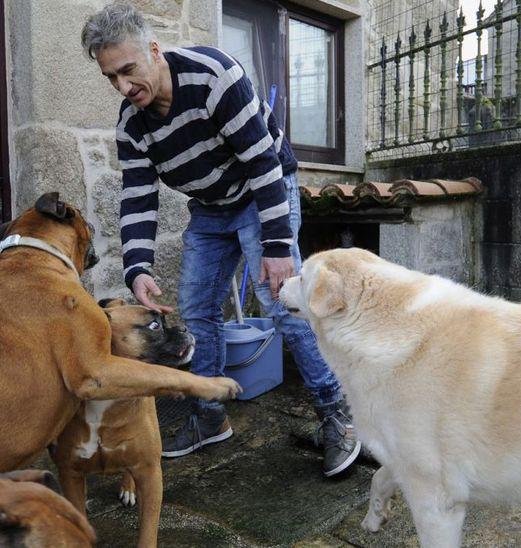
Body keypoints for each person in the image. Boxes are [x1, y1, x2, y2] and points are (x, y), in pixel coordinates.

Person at [80, 3, 360, 476]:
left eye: (128, 71)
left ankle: (339, 416)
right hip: (210, 208)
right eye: (111, 78)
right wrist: (138, 267)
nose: (124, 87)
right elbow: (137, 197)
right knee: (196, 309)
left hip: (262, 191)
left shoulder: (214, 76)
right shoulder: (132, 124)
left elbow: (263, 164)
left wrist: (275, 248)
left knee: (281, 302)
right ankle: (209, 416)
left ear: (154, 49)